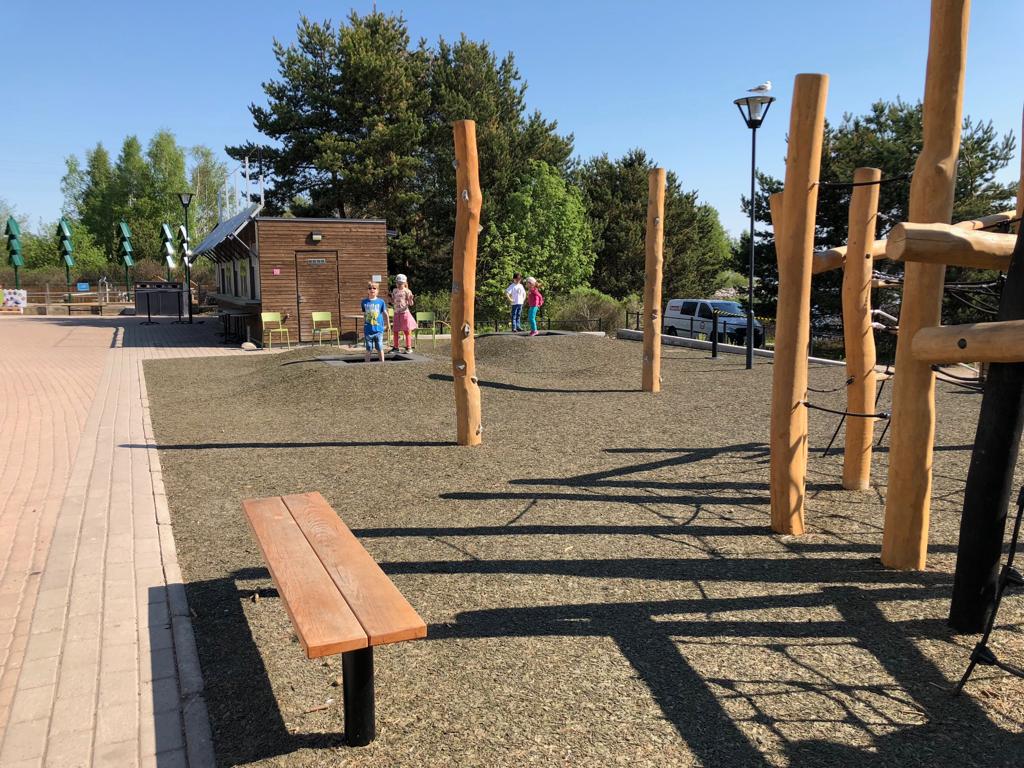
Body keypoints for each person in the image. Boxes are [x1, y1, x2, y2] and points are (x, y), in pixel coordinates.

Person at [361, 281, 390, 362]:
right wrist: (364, 325)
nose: (372, 290)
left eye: (374, 288)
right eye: (370, 288)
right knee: (368, 348)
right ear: (367, 290)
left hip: (379, 330)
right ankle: (367, 364)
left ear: (377, 291)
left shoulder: (381, 302)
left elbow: (385, 314)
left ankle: (382, 363)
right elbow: (365, 314)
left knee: (380, 347)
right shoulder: (364, 302)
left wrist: (388, 325)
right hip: (368, 330)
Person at [389, 274, 418, 353]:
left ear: (405, 283)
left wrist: (411, 299)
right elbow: (393, 301)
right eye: (398, 283)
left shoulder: (407, 291)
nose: (399, 285)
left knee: (406, 330)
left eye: (401, 283)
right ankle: (396, 347)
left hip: (404, 313)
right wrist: (390, 299)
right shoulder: (394, 290)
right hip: (396, 313)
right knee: (395, 330)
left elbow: (411, 304)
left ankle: (409, 347)